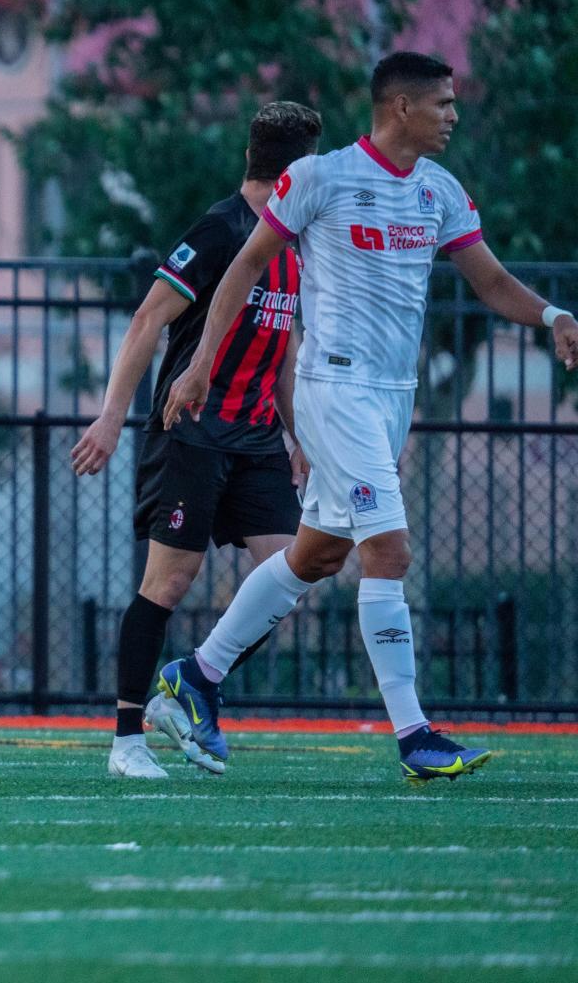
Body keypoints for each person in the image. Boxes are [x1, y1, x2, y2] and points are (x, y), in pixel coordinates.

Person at [164, 53, 578, 782]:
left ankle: (196, 674)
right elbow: (246, 266)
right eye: (443, 103)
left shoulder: (439, 189)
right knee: (389, 551)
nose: (453, 115)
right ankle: (415, 735)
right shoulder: (319, 177)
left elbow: (488, 280)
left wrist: (552, 316)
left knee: (317, 556)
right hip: (335, 389)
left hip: (392, 396)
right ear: (401, 108)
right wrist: (199, 365)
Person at [72, 102, 322, 780]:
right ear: (296, 173)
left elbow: (283, 353)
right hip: (194, 433)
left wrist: (299, 436)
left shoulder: (293, 246)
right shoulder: (220, 230)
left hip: (258, 441)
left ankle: (192, 682)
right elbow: (147, 319)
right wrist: (110, 417)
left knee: (294, 571)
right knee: (169, 582)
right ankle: (127, 741)